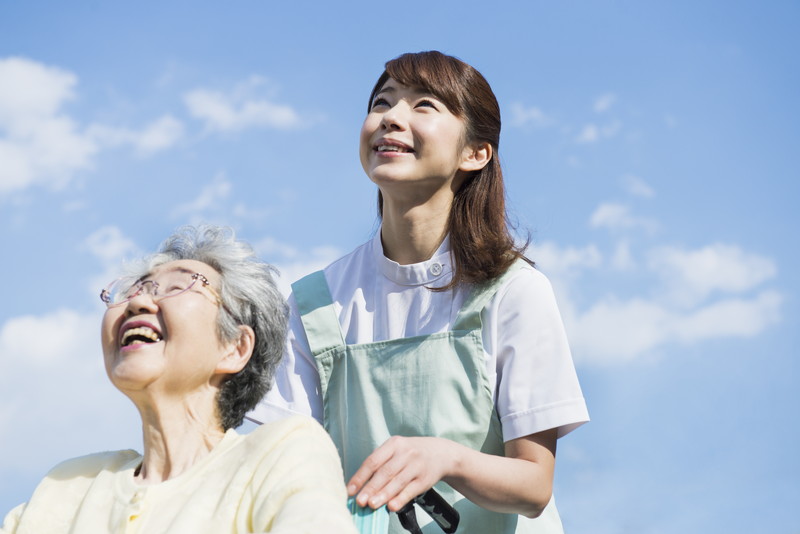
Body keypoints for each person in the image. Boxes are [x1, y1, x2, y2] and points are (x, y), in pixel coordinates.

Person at [249, 51, 590, 533]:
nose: (391, 117)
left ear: (475, 153)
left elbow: (534, 485)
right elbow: (287, 475)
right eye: (381, 103)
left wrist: (447, 458)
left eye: (423, 105)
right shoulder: (312, 302)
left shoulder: (513, 291)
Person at [1, 225, 357, 534]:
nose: (138, 302)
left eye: (176, 287)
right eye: (132, 291)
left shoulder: (280, 451)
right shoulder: (67, 485)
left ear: (234, 347)